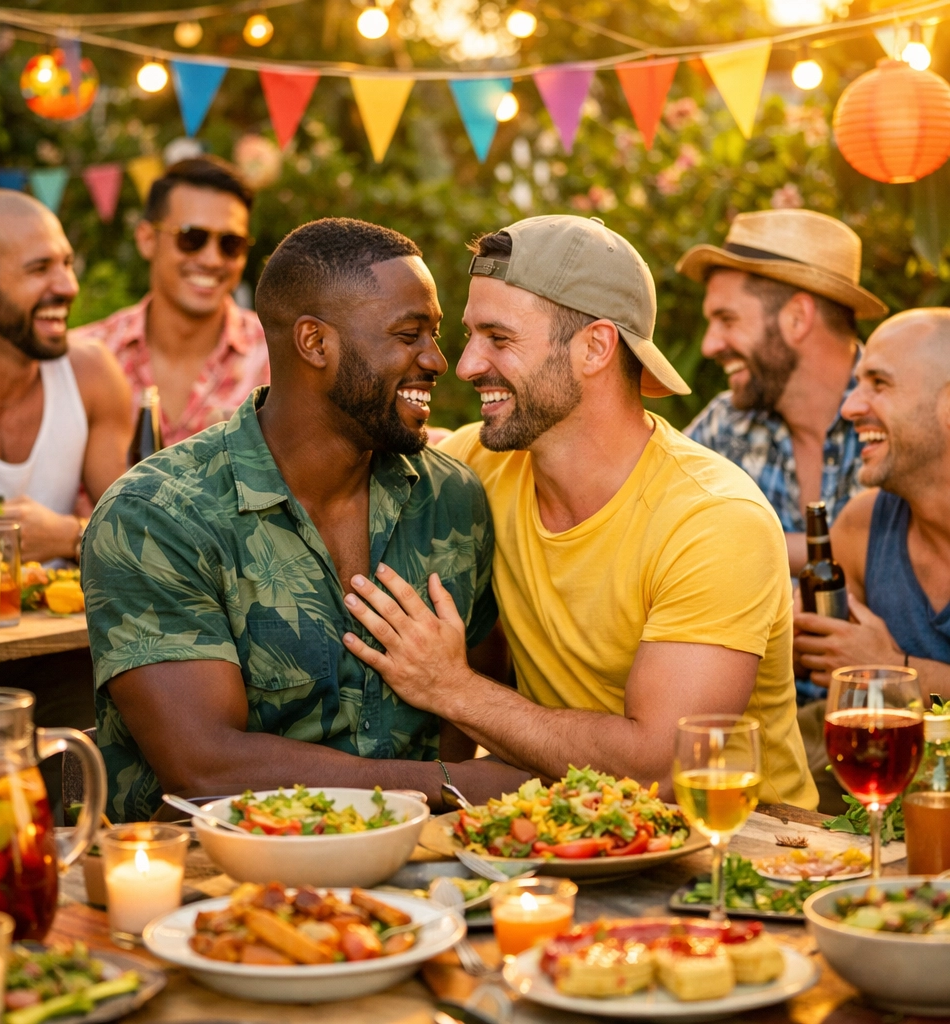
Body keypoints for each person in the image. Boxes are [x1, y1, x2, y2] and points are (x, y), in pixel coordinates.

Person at [340, 215, 818, 809]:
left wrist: (451, 689)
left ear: (595, 347)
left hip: (749, 855)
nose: (465, 366)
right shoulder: (480, 464)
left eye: (500, 338)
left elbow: (663, 772)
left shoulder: (714, 520)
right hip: (576, 836)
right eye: (470, 336)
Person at [81, 217, 529, 823]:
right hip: (209, 888)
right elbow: (206, 766)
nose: (438, 360)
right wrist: (446, 785)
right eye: (408, 335)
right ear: (315, 343)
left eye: (435, 333)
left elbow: (463, 703)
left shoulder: (450, 498)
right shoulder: (157, 516)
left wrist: (432, 807)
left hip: (419, 869)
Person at [679, 210, 888, 581]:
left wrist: (736, 540)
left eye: (727, 320)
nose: (710, 345)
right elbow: (648, 524)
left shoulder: (901, 417)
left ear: (797, 318)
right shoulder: (723, 425)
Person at [0, 190, 132, 563]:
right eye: (39, 269)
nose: (69, 286)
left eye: (67, 264)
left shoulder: (91, 375)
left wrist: (71, 537)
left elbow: (146, 538)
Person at [794, 308, 950, 701]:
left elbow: (868, 669)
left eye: (878, 383)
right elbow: (819, 666)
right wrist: (796, 644)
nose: (848, 409)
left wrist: (892, 669)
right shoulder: (863, 524)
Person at [71, 157, 269, 448]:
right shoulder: (82, 359)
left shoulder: (277, 360)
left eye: (230, 244)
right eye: (191, 237)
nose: (212, 259)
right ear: (147, 238)